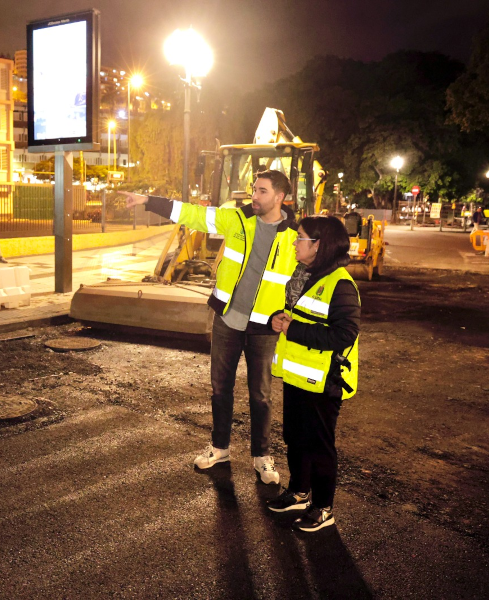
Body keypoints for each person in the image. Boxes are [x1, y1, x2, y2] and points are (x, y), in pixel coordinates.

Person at [125, 170, 299, 484]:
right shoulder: (236, 219)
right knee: (220, 389)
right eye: (254, 189)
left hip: (265, 325)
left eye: (261, 191)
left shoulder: (294, 235)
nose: (254, 196)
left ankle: (262, 457)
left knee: (261, 395)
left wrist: (290, 316)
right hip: (227, 319)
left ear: (279, 197)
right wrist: (147, 201)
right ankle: (220, 448)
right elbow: (192, 214)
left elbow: (302, 278)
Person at [266, 215, 360, 532]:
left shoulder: (341, 285)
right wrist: (276, 319)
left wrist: (293, 330)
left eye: (301, 238)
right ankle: (299, 492)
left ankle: (323, 508)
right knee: (295, 437)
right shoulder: (302, 276)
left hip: (325, 380)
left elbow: (344, 334)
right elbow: (295, 316)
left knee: (320, 446)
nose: (295, 243)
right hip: (297, 375)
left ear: (318, 245)